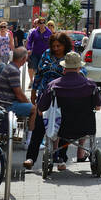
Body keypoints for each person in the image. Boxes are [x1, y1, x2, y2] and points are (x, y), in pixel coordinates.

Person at [37, 52, 101, 168]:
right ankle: (81, 153)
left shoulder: (53, 85)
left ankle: (55, 154)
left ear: (64, 68)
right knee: (85, 115)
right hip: (85, 127)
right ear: (79, 68)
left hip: (61, 127)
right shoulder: (91, 85)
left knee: (52, 117)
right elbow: (98, 107)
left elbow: (42, 107)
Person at [25, 33, 74, 166]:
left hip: (64, 97)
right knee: (39, 126)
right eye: (54, 46)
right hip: (45, 96)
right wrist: (34, 92)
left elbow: (81, 72)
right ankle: (30, 158)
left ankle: (61, 158)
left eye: (59, 46)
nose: (56, 48)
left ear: (65, 45)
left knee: (63, 128)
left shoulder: (70, 56)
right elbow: (39, 74)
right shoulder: (46, 54)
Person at [0, 47, 34, 145]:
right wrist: (29, 103)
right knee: (34, 109)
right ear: (24, 59)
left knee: (28, 104)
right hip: (6, 104)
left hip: (4, 101)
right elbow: (19, 95)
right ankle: (29, 141)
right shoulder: (13, 71)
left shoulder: (9, 67)